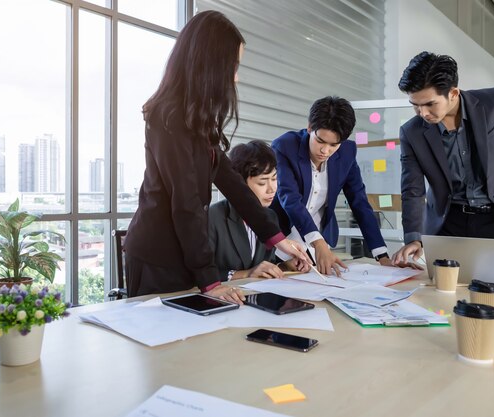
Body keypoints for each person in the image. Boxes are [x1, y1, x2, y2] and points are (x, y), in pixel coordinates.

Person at [123, 11, 310, 304]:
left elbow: (232, 182)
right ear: (209, 65)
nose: (235, 78)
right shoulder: (168, 117)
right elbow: (185, 203)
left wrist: (277, 239)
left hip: (185, 254)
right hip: (157, 259)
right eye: (233, 66)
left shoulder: (198, 119)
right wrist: (210, 282)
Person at [392, 51, 494, 265]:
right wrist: (414, 237)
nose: (422, 113)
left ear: (453, 93)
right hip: (447, 223)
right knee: (445, 293)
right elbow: (412, 190)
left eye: (430, 104)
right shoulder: (411, 132)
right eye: (415, 105)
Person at [271, 96, 392, 276]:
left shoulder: (347, 152)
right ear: (310, 127)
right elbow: (289, 198)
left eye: (334, 145)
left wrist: (382, 255)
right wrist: (318, 243)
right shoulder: (285, 146)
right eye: (320, 141)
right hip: (282, 236)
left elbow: (359, 201)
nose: (325, 151)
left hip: (319, 239)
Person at [209, 140, 308, 281]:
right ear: (240, 184)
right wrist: (246, 274)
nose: (272, 189)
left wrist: (284, 266)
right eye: (262, 182)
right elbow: (198, 274)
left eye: (274, 179)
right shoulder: (213, 217)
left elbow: (263, 266)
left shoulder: (271, 216)